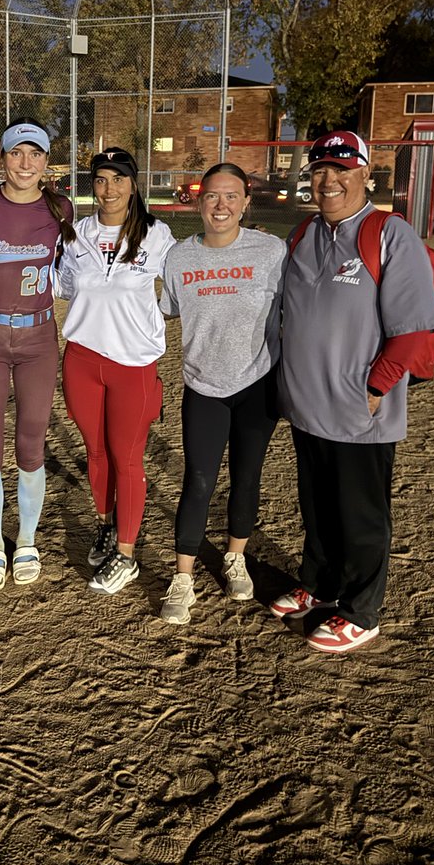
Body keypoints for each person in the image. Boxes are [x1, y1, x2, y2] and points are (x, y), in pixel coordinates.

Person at [273, 131, 434, 653]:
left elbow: (417, 326)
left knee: (361, 514)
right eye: (321, 169)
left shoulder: (389, 233)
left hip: (358, 407)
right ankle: (322, 585)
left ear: (366, 175)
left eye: (343, 170)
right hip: (307, 406)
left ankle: (361, 610)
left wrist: (377, 386)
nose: (330, 180)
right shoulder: (304, 234)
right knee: (318, 504)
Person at [159, 163, 285, 624]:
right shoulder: (178, 257)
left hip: (258, 384)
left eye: (231, 196)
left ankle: (235, 558)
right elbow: (161, 313)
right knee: (197, 481)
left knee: (247, 478)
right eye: (212, 196)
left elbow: (303, 305)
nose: (221, 205)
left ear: (246, 202)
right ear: (198, 200)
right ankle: (184, 579)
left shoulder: (272, 251)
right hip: (203, 385)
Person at [56, 147, 176, 595]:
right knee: (96, 451)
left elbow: (177, 288)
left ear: (134, 184)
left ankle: (126, 556)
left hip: (133, 364)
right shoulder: (77, 234)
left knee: (127, 458)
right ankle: (105, 525)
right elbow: (65, 286)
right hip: (83, 358)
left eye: (118, 179)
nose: (109, 189)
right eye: (101, 180)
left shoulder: (157, 235)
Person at [0, 118, 75, 590]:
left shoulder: (61, 207)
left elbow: (70, 267)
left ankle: (26, 539)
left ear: (47, 162)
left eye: (35, 154)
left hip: (38, 337)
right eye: (16, 153)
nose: (26, 163)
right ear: (1, 158)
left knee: (31, 444)